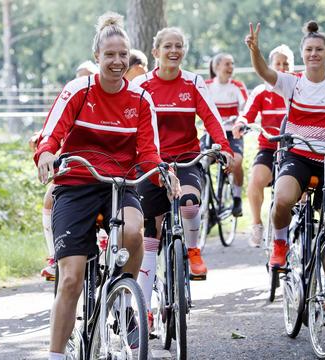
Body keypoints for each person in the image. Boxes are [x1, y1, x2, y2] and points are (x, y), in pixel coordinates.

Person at [34, 12, 179, 360]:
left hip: (119, 184)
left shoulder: (141, 101)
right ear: (97, 56)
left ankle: (122, 297)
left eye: (122, 55)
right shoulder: (78, 91)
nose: (117, 61)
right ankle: (55, 353)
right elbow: (51, 134)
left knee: (133, 232)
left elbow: (147, 151)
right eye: (109, 54)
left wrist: (162, 172)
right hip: (76, 183)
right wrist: (46, 154)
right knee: (70, 278)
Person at [131, 27, 233, 326]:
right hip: (151, 163)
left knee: (189, 202)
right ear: (155, 52)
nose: (174, 51)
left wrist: (223, 147)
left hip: (186, 159)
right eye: (168, 46)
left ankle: (192, 248)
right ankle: (145, 310)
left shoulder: (193, 81)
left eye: (179, 46)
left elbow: (211, 117)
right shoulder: (142, 84)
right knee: (151, 235)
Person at [245, 20, 325, 268]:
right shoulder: (292, 82)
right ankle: (280, 243)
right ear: (302, 53)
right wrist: (255, 52)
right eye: (309, 49)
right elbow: (264, 73)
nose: (313, 54)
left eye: (319, 49)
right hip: (297, 156)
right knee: (281, 200)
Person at [33, 60, 100, 281]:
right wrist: (44, 148)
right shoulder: (72, 96)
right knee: (50, 198)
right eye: (79, 76)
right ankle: (54, 256)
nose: (83, 80)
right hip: (73, 169)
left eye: (87, 76)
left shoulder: (103, 97)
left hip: (106, 172)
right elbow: (52, 129)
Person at [232, 44, 293, 247]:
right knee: (255, 181)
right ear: (270, 65)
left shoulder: (297, 86)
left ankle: (300, 223)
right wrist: (241, 123)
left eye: (286, 64)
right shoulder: (261, 91)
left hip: (294, 149)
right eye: (278, 63)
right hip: (268, 147)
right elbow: (247, 113)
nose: (282, 67)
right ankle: (257, 224)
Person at [206, 53, 248, 216]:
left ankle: (237, 198)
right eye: (227, 64)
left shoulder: (237, 86)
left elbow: (246, 108)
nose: (231, 67)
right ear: (216, 67)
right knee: (201, 161)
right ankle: (204, 196)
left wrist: (241, 122)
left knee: (236, 162)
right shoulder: (207, 85)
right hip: (212, 132)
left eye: (232, 64)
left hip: (232, 132)